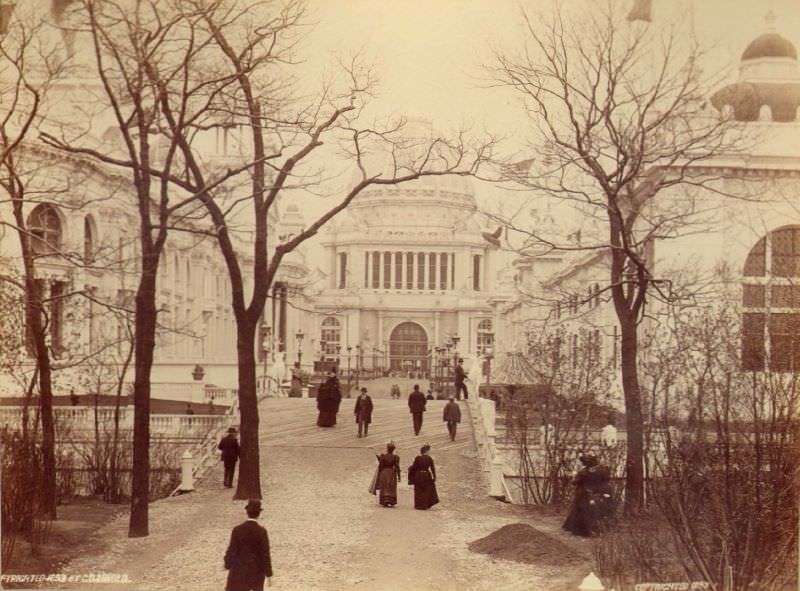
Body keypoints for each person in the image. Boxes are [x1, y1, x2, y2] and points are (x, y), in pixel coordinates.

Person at [224, 499, 273, 591]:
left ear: (247, 512)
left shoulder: (237, 530)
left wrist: (227, 564)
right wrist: (269, 573)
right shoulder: (261, 532)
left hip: (239, 570)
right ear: (259, 514)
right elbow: (265, 554)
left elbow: (232, 550)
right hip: (256, 571)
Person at [562, 454, 615, 537]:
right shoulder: (601, 471)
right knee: (597, 511)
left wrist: (574, 475)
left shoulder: (583, 472)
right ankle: (598, 530)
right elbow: (606, 480)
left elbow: (575, 482)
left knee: (581, 511)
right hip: (597, 493)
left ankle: (582, 531)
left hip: (584, 494)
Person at [409, 444, 439, 510]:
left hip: (419, 475)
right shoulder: (429, 458)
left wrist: (412, 475)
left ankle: (418, 505)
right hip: (426, 475)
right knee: (426, 490)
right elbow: (432, 468)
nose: (429, 452)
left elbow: (414, 467)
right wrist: (434, 476)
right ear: (426, 451)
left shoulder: (418, 458)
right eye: (428, 451)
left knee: (418, 490)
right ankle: (425, 504)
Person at [375, 442, 401, 507]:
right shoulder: (395, 457)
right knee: (391, 487)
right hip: (391, 473)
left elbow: (381, 466)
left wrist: (379, 474)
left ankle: (384, 501)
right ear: (393, 450)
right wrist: (399, 476)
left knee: (384, 486)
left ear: (387, 449)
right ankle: (391, 501)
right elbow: (397, 467)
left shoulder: (383, 456)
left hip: (384, 472)